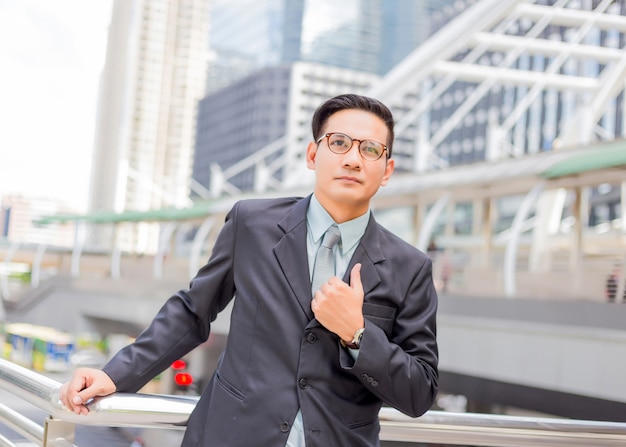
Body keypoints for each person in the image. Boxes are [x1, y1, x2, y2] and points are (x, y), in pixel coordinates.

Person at [59, 93, 439, 446]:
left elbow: (419, 390)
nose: (353, 159)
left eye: (370, 149)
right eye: (339, 143)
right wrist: (115, 374)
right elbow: (193, 312)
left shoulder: (410, 268)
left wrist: (357, 334)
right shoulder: (252, 224)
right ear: (312, 154)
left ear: (387, 170)